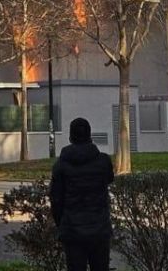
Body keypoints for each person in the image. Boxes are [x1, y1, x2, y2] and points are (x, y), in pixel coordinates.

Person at [50, 116, 115, 271]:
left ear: (71, 137)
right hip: (99, 228)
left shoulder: (61, 166)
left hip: (72, 229)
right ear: (89, 135)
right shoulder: (103, 161)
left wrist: (61, 224)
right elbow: (109, 179)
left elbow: (56, 199)